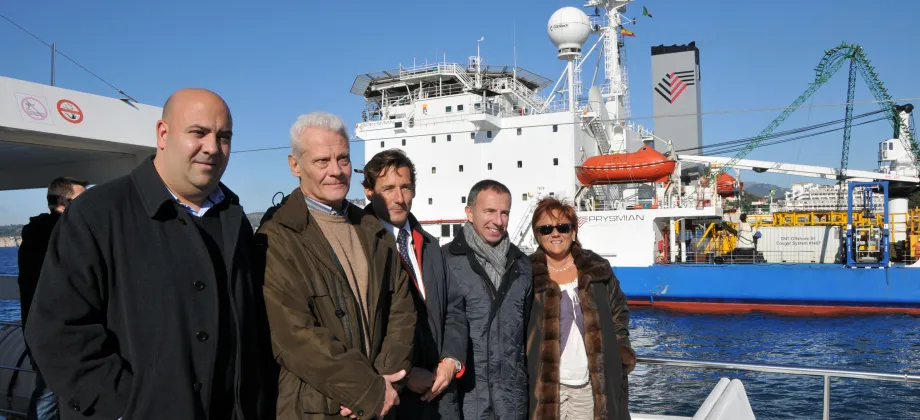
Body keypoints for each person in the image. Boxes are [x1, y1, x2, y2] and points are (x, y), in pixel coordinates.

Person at [24, 88, 276, 419]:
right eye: (198, 133)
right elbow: (56, 332)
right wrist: (124, 407)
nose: (212, 148)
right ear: (163, 133)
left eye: (224, 136)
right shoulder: (98, 213)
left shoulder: (235, 220)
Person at [258, 112, 416, 420]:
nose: (336, 171)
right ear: (295, 165)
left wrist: (384, 383)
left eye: (343, 159)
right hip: (318, 409)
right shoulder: (277, 236)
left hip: (382, 403)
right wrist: (364, 390)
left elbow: (401, 308)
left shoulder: (371, 227)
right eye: (322, 161)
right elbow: (294, 335)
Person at [361, 149, 462, 419]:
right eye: (388, 188)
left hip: (441, 393)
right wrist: (403, 375)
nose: (399, 198)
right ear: (369, 191)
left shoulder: (429, 245)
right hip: (391, 399)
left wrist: (451, 360)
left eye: (405, 187)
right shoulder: (359, 245)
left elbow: (454, 308)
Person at [526, 197, 635, 420]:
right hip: (542, 386)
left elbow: (619, 312)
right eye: (546, 229)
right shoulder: (525, 274)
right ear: (537, 235)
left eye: (562, 227)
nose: (555, 234)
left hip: (588, 385)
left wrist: (621, 348)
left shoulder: (597, 269)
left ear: (573, 231)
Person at [441, 179, 533, 420]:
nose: (498, 221)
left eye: (505, 213)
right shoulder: (444, 261)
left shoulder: (523, 265)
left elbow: (530, 333)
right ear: (469, 213)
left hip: (512, 404)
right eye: (490, 211)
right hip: (465, 401)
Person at [18, 176, 87, 420]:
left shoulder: (36, 234)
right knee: (49, 395)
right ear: (63, 202)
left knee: (48, 393)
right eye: (83, 199)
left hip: (40, 328)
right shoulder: (61, 235)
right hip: (56, 331)